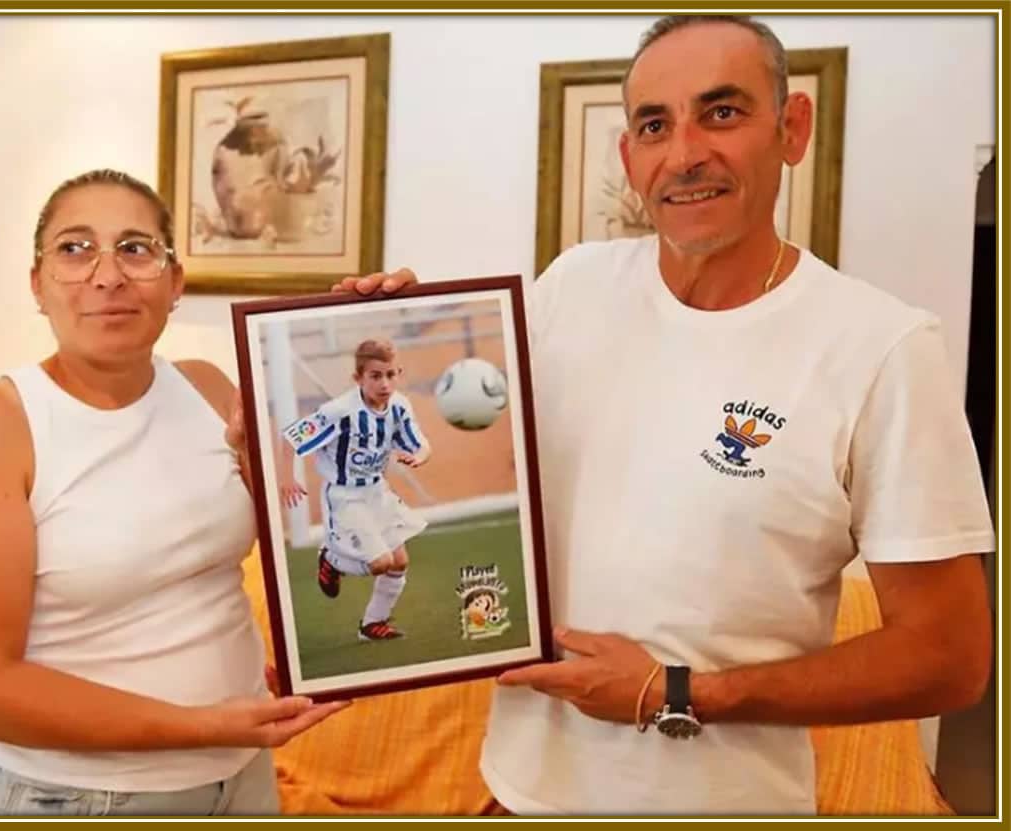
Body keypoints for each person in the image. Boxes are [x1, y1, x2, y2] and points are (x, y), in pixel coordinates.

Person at [334, 14, 995, 815]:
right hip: (516, 792)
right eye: (655, 124)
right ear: (629, 157)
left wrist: (675, 691)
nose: (685, 154)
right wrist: (376, 338)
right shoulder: (571, 287)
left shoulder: (883, 347)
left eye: (722, 112)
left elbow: (950, 656)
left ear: (792, 129)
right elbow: (456, 450)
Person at [0, 169, 348, 816]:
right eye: (75, 248)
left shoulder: (207, 388)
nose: (108, 274)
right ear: (38, 284)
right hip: (73, 796)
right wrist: (208, 724)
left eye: (137, 248)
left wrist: (374, 320)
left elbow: (315, 538)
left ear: (175, 284)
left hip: (243, 778)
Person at [277, 338, 432, 641]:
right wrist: (286, 478)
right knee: (380, 564)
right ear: (358, 378)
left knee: (399, 562)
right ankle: (331, 558)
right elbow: (292, 438)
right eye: (375, 376)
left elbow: (421, 443)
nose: (385, 383)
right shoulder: (339, 411)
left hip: (377, 492)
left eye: (391, 375)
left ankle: (372, 624)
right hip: (345, 496)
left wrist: (419, 456)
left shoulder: (399, 405)